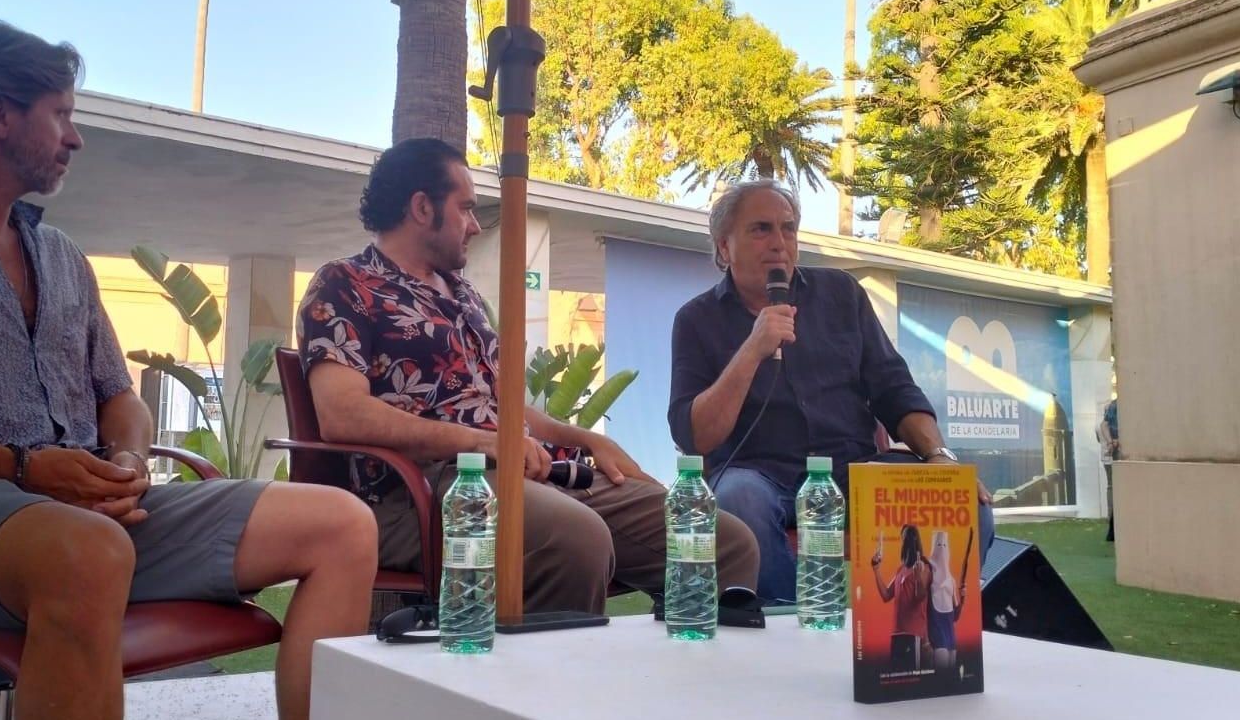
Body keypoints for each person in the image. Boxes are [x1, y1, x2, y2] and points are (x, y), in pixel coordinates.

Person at [0, 20, 373, 720]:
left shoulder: (61, 257)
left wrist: (123, 459)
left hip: (91, 520)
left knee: (342, 524)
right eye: (60, 114)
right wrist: (18, 468)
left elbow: (120, 397)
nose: (75, 137)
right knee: (85, 551)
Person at [299, 138, 759, 615]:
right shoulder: (345, 285)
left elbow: (507, 408)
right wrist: (480, 444)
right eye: (465, 209)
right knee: (575, 539)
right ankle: (536, 686)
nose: (476, 225)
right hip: (423, 490)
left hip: (533, 472)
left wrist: (586, 439)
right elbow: (341, 414)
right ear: (421, 207)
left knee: (720, 539)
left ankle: (685, 681)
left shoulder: (464, 295)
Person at [668, 178, 993, 603]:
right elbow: (694, 435)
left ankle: (909, 632)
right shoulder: (695, 319)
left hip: (851, 471)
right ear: (724, 247)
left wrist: (937, 457)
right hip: (760, 476)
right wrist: (751, 350)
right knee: (738, 500)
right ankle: (789, 628)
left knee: (965, 504)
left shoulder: (841, 294)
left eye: (788, 228)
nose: (779, 242)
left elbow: (895, 389)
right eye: (760, 229)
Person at [872, 525, 932, 671]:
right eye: (904, 538)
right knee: (896, 675)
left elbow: (921, 597)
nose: (907, 542)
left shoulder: (923, 566)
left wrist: (918, 577)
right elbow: (886, 595)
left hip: (914, 634)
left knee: (912, 677)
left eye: (910, 537)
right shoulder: (901, 570)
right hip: (897, 633)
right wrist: (876, 569)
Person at [925, 530, 965, 672]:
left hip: (950, 634)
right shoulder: (927, 575)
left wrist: (963, 598)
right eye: (938, 545)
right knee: (941, 672)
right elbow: (922, 609)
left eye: (944, 545)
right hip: (935, 632)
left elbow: (955, 616)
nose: (941, 548)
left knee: (950, 674)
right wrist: (926, 641)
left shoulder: (951, 581)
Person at [1099, 396, 1120, 542]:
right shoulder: (1118, 406)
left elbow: (1104, 425)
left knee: (1113, 489)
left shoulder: (1113, 406)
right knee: (1116, 490)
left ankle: (1112, 528)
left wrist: (1110, 442)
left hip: (1112, 454)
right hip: (1118, 454)